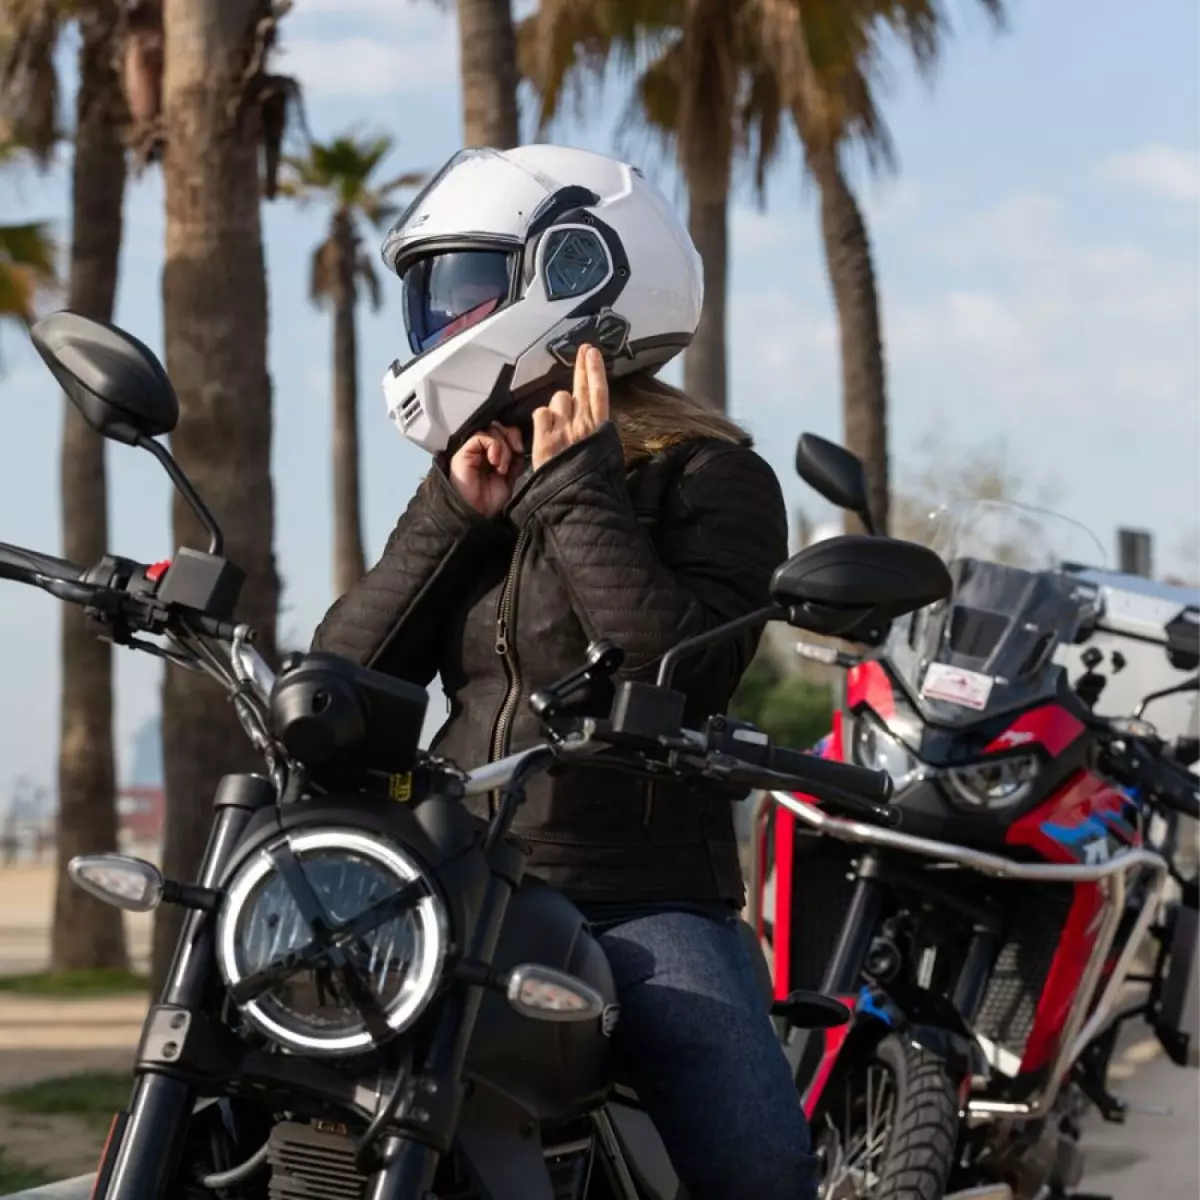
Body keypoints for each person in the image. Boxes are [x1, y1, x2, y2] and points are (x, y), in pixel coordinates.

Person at [312, 144, 816, 1198]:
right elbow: (339, 683)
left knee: (761, 1164)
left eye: (466, 287)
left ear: (580, 272)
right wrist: (450, 516)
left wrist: (578, 490)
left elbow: (676, 674)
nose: (443, 319)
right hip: (448, 875)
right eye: (434, 293)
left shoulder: (714, 477)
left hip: (636, 899)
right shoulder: (477, 477)